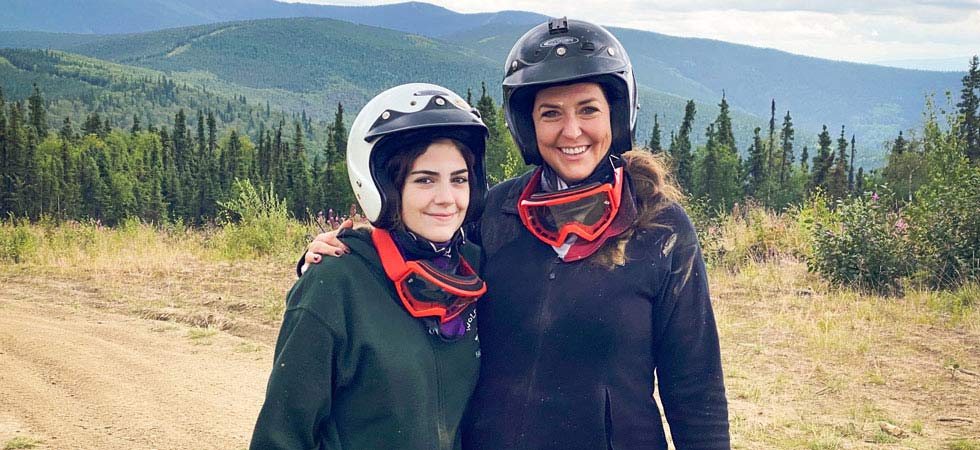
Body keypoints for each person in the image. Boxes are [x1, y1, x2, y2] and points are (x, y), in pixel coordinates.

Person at [303, 18, 730, 449]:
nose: (571, 130)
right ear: (527, 125)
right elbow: (413, 265)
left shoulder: (660, 227)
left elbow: (696, 387)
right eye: (551, 114)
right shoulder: (494, 212)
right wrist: (339, 256)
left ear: (616, 115)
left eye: (588, 109)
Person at [250, 83, 489, 450]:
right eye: (424, 179)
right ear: (386, 187)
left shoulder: (472, 269)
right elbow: (282, 434)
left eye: (458, 180)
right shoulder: (336, 281)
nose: (447, 199)